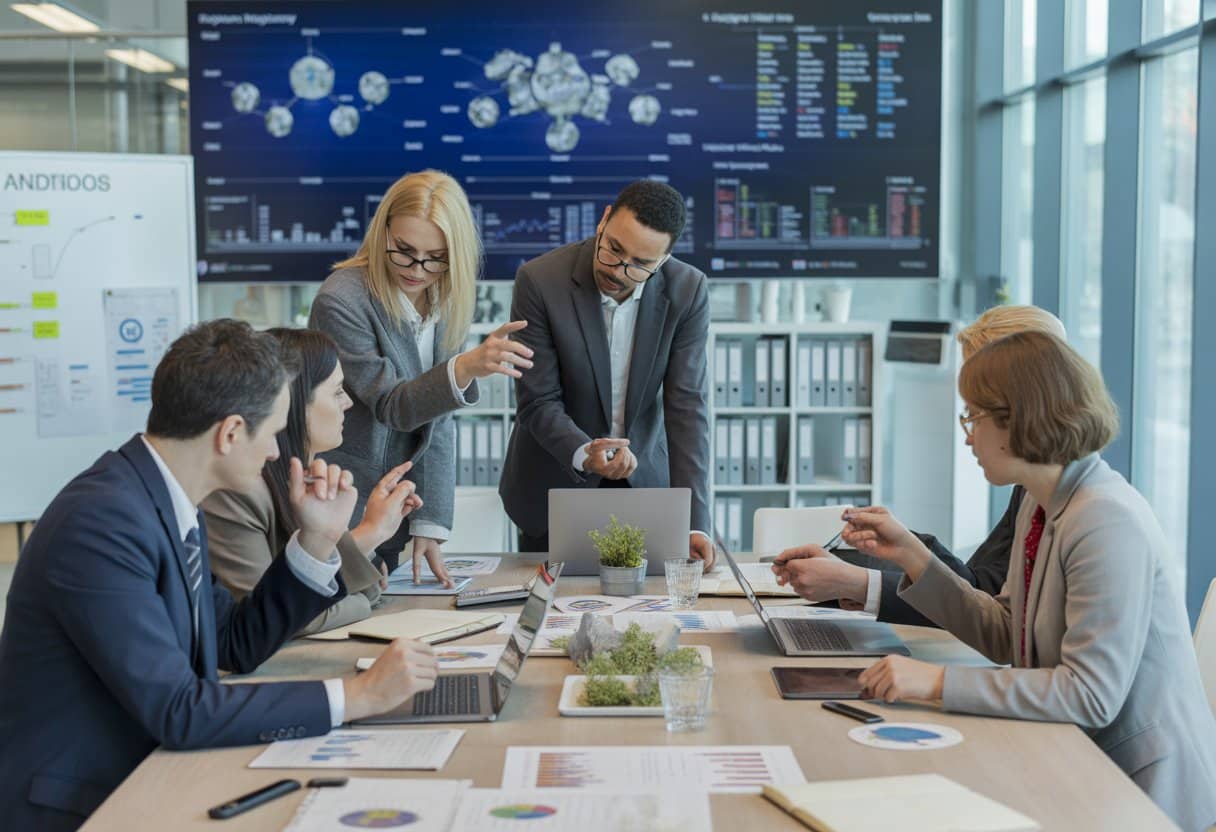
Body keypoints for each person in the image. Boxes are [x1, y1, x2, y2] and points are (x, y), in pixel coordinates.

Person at [0, 320, 439, 832]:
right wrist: (357, 695)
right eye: (274, 433)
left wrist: (317, 541)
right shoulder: (102, 524)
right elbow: (179, 709)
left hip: (151, 772)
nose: (279, 452)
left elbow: (234, 641)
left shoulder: (158, 499)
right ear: (231, 433)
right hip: (82, 804)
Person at [846, 332, 1216, 831]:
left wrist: (936, 680)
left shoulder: (1105, 519)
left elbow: (1090, 695)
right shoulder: (1043, 502)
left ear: (1016, 418)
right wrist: (912, 556)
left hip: (1138, 792)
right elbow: (1007, 632)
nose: (967, 436)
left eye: (973, 416)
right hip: (1077, 759)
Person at [771, 305, 1066, 624]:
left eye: (977, 414)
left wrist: (863, 577)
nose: (969, 437)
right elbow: (985, 600)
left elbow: (986, 608)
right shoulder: (1033, 492)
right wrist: (901, 548)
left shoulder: (1079, 513)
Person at [310, 169, 533, 578]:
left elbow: (437, 418)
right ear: (383, 234)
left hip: (400, 504)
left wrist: (430, 522)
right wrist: (464, 367)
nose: (417, 268)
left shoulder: (444, 298)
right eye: (404, 250)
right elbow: (393, 405)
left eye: (436, 257)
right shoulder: (341, 300)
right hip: (350, 507)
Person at [499, 180, 714, 568]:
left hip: (644, 484)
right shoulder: (540, 280)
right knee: (551, 614)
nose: (619, 269)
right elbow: (538, 401)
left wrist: (694, 525)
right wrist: (586, 453)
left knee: (645, 614)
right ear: (603, 220)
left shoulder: (688, 290)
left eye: (641, 264)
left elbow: (687, 409)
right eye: (614, 248)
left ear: (663, 260)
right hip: (556, 479)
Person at [203, 328, 424, 635]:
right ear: (291, 402)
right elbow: (272, 616)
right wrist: (368, 541)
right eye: (336, 392)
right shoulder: (236, 491)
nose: (347, 402)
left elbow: (355, 586)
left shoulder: (308, 476)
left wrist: (372, 533)